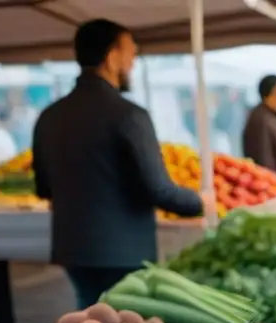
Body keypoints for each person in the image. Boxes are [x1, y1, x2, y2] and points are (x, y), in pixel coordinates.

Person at [32, 19, 204, 308]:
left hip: (73, 250)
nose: (133, 63)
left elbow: (43, 188)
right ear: (112, 58)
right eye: (131, 55)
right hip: (124, 254)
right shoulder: (129, 116)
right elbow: (159, 189)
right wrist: (200, 202)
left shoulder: (48, 117)